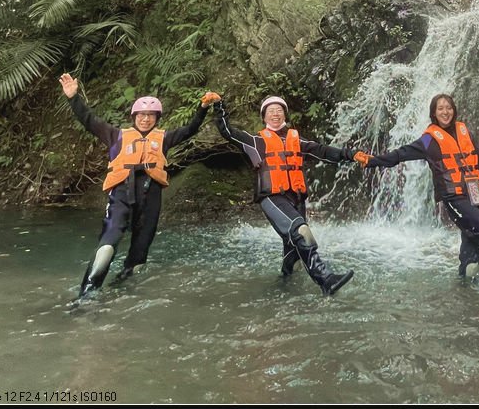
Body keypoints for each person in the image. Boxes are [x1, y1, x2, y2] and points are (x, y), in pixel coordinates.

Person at [59, 73, 222, 298]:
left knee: (139, 256)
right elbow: (88, 119)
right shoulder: (115, 135)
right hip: (122, 195)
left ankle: (124, 291)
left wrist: (203, 107)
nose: (146, 119)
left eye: (151, 116)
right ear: (134, 116)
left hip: (150, 197)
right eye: (142, 115)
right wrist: (73, 97)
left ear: (157, 118)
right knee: (108, 246)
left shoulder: (164, 138)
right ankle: (87, 292)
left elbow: (190, 129)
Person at [355, 93, 479, 297]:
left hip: (476, 195)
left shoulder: (463, 130)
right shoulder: (429, 139)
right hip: (455, 199)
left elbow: (477, 158)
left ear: (454, 110)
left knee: (471, 263)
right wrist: (372, 160)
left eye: (449, 107)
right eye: (440, 108)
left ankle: (464, 299)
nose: (446, 112)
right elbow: (401, 154)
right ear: (434, 113)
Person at [213, 95, 359, 296]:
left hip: (295, 198)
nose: (275, 113)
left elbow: (323, 151)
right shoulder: (255, 141)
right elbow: (227, 131)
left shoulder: (296, 140)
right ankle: (326, 279)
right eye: (271, 111)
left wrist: (351, 155)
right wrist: (218, 105)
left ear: (285, 114)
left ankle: (284, 285)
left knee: (292, 249)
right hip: (272, 197)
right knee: (302, 233)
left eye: (279, 110)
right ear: (264, 117)